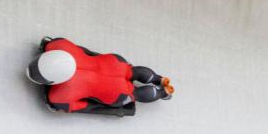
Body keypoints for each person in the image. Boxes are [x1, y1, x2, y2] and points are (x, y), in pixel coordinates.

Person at [26, 37, 174, 116]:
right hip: (114, 63)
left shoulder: (60, 96)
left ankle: (163, 93)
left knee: (133, 94)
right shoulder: (58, 45)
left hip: (115, 92)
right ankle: (160, 80)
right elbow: (51, 42)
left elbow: (82, 106)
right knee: (131, 71)